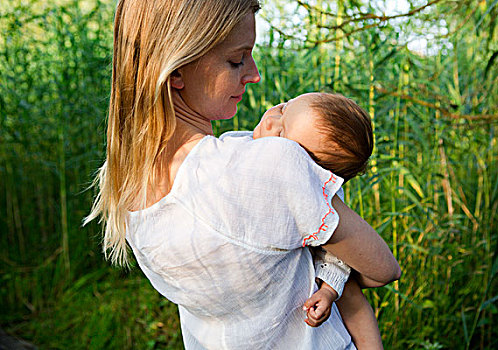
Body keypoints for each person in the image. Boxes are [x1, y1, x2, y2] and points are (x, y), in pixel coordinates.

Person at [85, 1, 401, 349]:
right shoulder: (273, 163)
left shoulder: (128, 196)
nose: (254, 74)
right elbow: (382, 269)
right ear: (175, 71)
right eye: (237, 59)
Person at [226, 92, 385, 349]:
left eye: (281, 136)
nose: (269, 121)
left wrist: (329, 290)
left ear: (308, 174)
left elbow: (337, 258)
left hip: (300, 298)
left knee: (353, 300)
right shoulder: (239, 143)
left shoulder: (314, 200)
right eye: (284, 107)